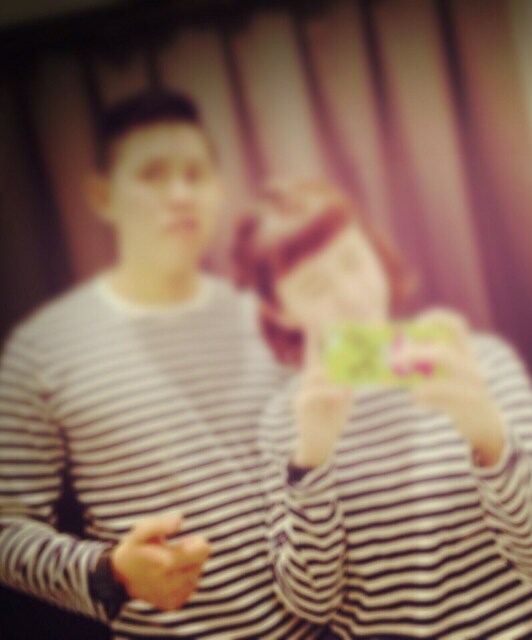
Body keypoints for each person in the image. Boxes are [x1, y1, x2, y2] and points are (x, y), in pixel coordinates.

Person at [0, 91, 322, 639]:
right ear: (103, 196)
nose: (179, 194)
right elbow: (7, 527)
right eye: (152, 175)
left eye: (195, 174)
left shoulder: (272, 316)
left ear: (219, 190)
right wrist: (111, 574)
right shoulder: (43, 347)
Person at [233, 178, 532, 639]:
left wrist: (488, 437)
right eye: (316, 286)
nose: (350, 295)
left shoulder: (482, 364)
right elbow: (313, 604)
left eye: (353, 261)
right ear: (280, 311)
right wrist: (312, 459)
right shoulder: (286, 420)